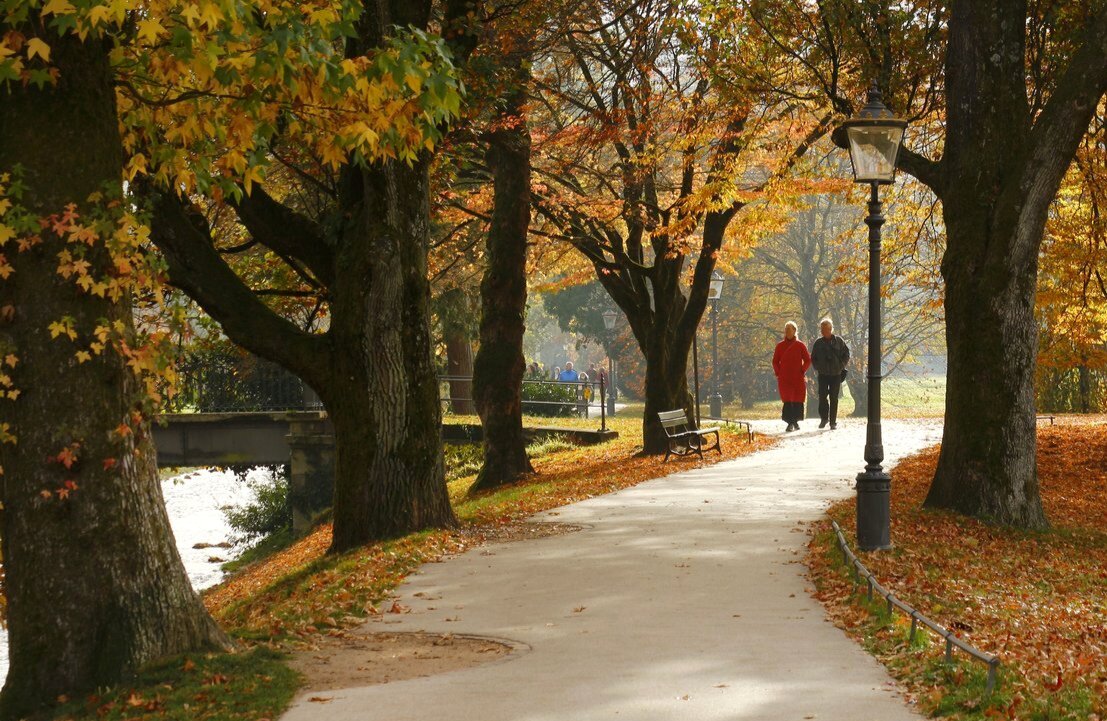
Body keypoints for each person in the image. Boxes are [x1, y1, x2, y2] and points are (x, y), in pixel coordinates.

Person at [810, 318, 851, 430]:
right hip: (823, 374)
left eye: (825, 329)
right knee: (822, 397)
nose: (823, 331)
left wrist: (841, 366)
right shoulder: (818, 343)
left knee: (834, 398)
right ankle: (824, 419)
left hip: (836, 374)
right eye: (822, 329)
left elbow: (846, 354)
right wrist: (818, 368)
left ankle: (833, 422)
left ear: (830, 329)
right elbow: (813, 358)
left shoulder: (839, 341)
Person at [772, 321, 811, 432]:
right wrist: (778, 372)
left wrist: (802, 370)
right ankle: (790, 423)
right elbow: (775, 361)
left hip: (797, 377)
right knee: (788, 399)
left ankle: (795, 421)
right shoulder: (780, 346)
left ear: (795, 331)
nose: (788, 331)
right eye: (786, 329)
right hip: (784, 378)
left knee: (798, 399)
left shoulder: (800, 345)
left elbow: (808, 360)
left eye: (790, 329)